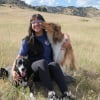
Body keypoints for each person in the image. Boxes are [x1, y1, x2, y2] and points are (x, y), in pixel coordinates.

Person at [12, 14, 74, 100]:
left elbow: (64, 35)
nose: (36, 24)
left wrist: (68, 40)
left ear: (43, 24)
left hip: (48, 70)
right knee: (42, 62)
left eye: (39, 22)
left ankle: (66, 94)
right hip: (35, 70)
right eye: (33, 22)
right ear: (31, 25)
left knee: (54, 64)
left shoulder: (49, 35)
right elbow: (19, 57)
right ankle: (51, 94)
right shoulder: (27, 40)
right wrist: (13, 70)